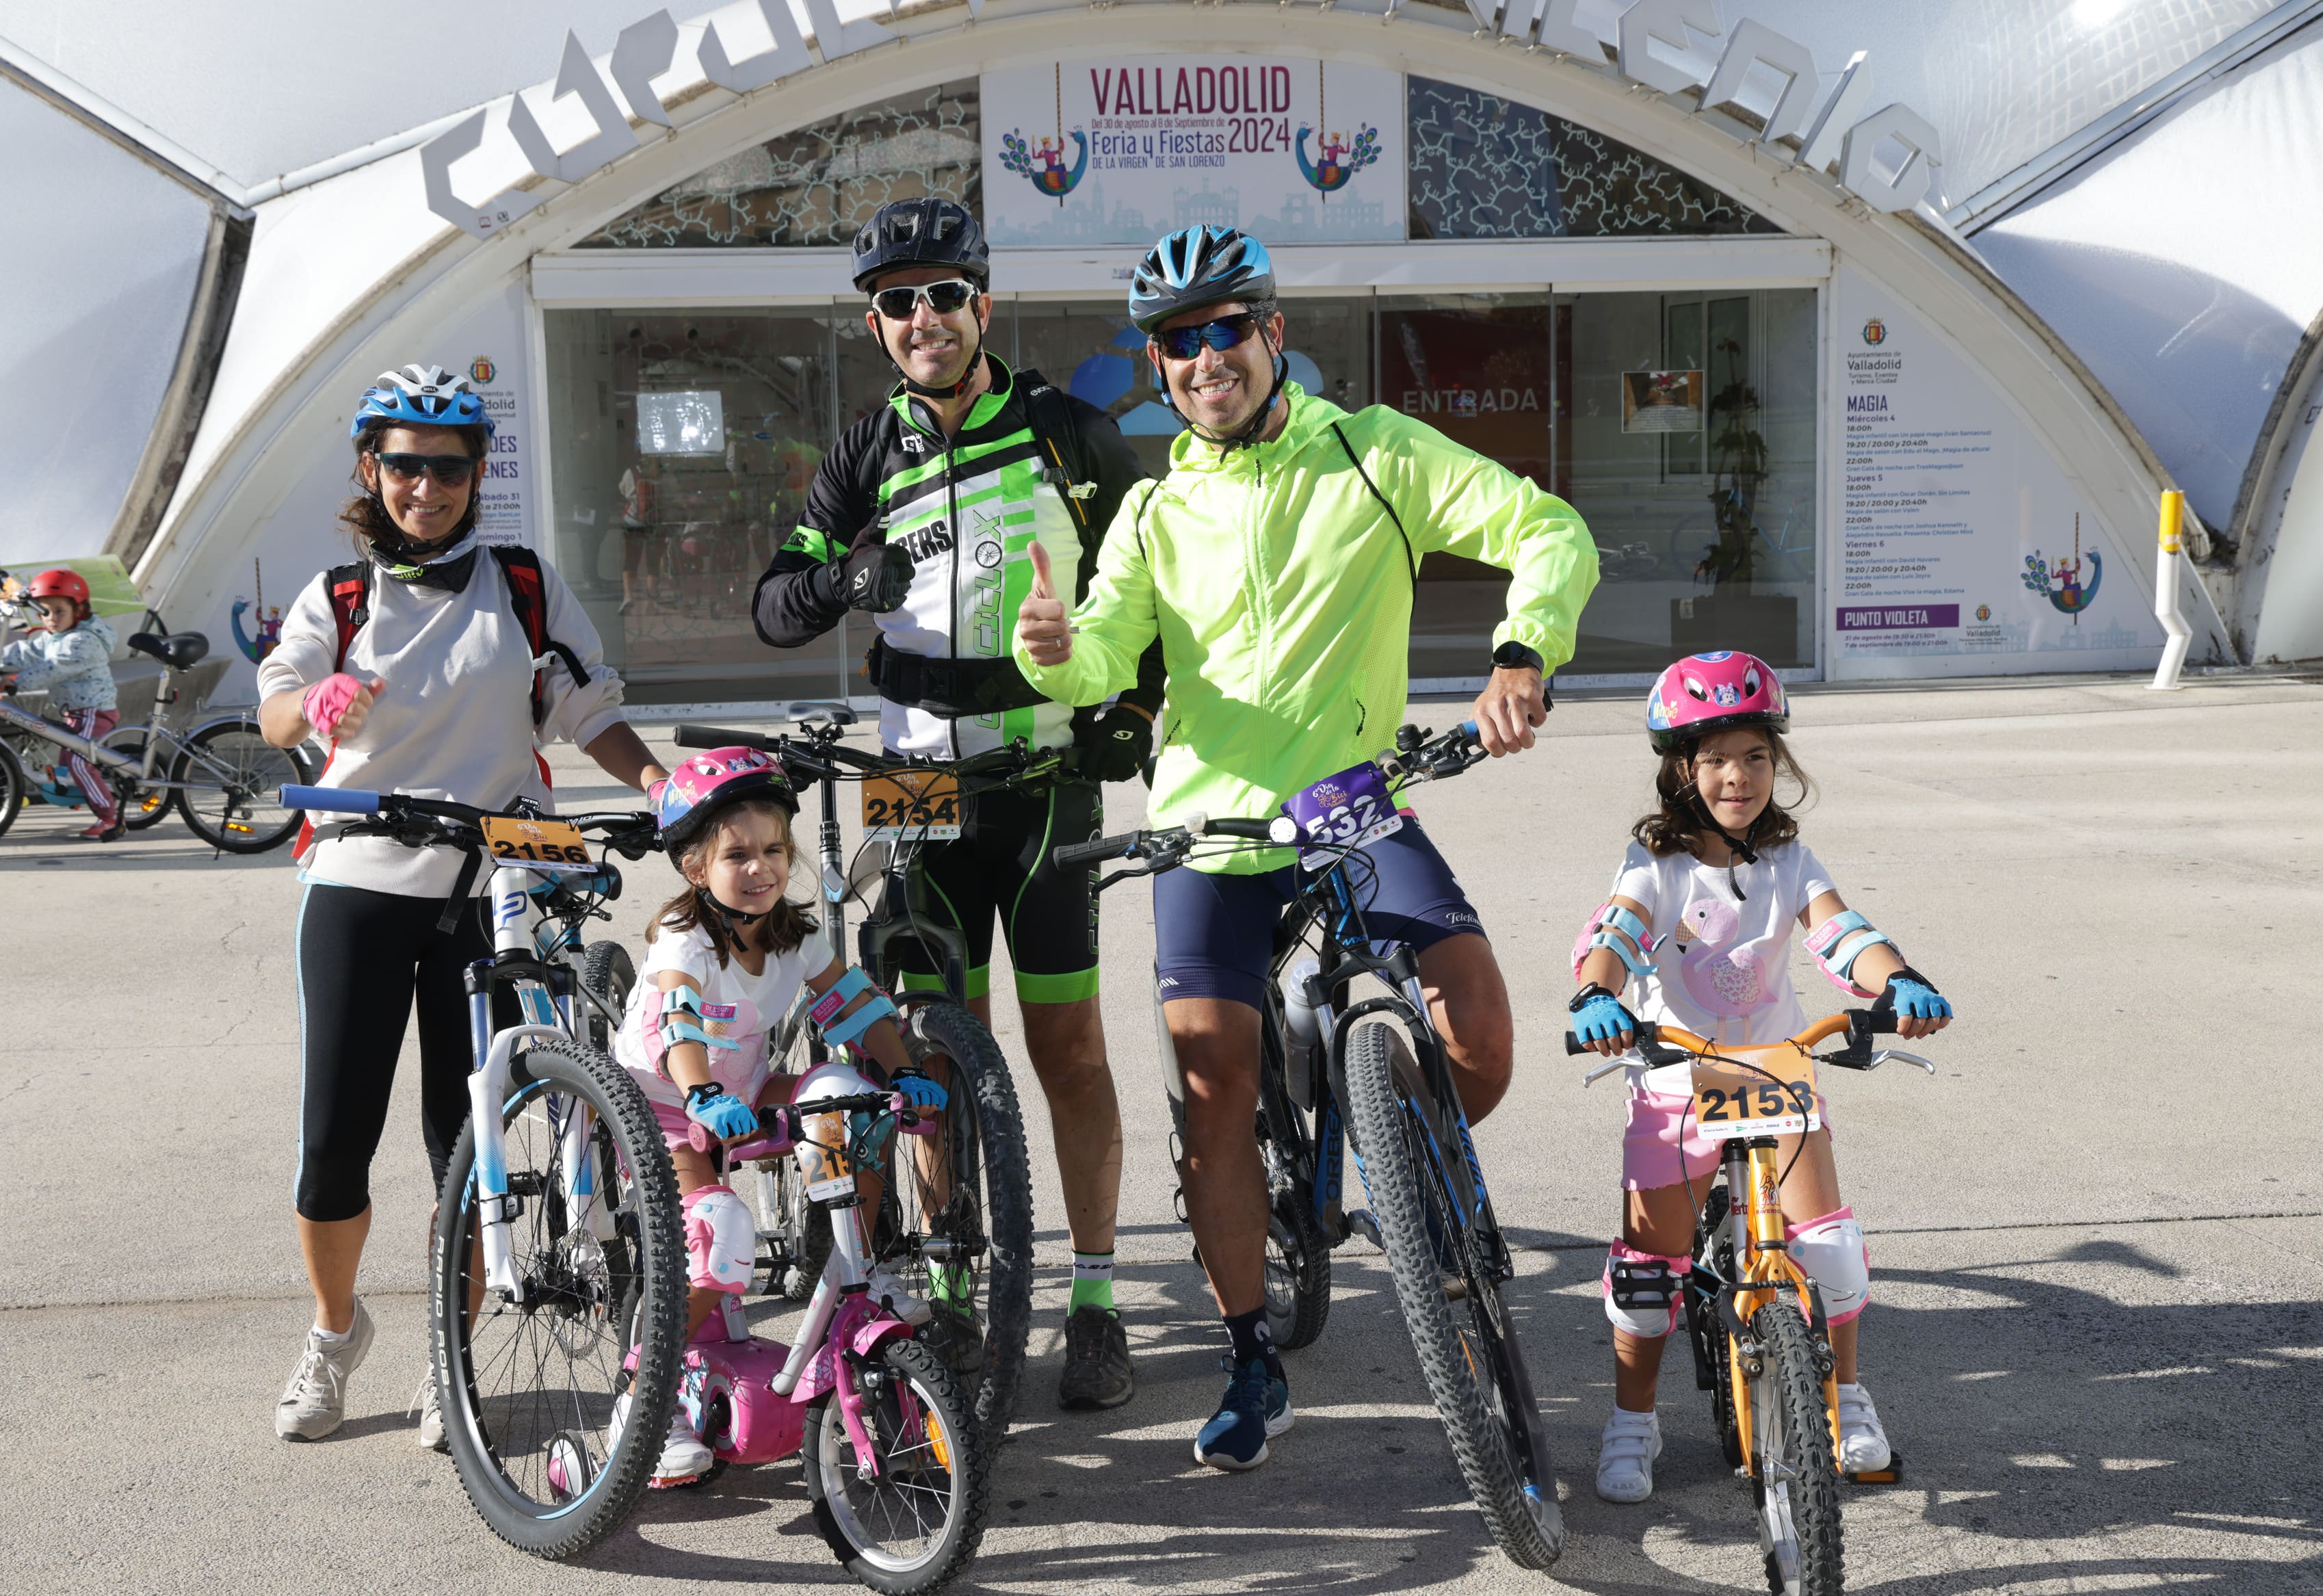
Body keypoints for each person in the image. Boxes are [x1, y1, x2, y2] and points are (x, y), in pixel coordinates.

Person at [1013, 223, 1599, 1469]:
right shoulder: (1159, 510)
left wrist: (1521, 653)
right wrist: (1056, 650)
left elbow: (1546, 528)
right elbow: (1112, 648)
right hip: (1211, 824)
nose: (1204, 355)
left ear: (1275, 334)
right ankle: (1249, 1358)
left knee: (1481, 1039)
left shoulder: (1373, 451)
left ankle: (1380, 1128)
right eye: (1178, 340)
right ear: (1160, 365)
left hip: (1354, 800)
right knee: (1217, 1101)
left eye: (1228, 327)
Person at [752, 197, 1166, 1410]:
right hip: (917, 788)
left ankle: (1094, 1301)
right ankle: (947, 1293)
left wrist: (1133, 709)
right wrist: (845, 576)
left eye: (944, 294)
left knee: (1069, 1049)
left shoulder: (1070, 434)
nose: (923, 317)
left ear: (983, 306)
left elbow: (1153, 599)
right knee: (927, 1061)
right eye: (898, 301)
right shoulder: (862, 454)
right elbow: (775, 605)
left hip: (1044, 782)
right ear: (876, 325)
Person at [255, 364, 670, 1447]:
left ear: (478, 472)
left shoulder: (523, 584)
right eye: (404, 465)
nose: (425, 487)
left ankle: (454, 1346)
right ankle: (336, 1333)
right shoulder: (338, 596)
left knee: (469, 1132)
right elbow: (275, 707)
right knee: (334, 1141)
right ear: (370, 470)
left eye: (446, 467)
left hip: (495, 880)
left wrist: (661, 787)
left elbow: (587, 706)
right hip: (359, 874)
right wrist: (316, 701)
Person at [1567, 650, 1954, 1503]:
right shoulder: (1654, 862)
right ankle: (1632, 1419)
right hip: (1676, 1073)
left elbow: (1840, 930)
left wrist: (1897, 979)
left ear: (1776, 764)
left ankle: (1846, 1399)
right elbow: (1619, 931)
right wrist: (1594, 992)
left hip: (1776, 1071)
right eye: (1712, 759)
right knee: (1645, 1272)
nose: (1735, 776)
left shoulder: (1789, 860)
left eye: (1753, 756)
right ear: (1680, 770)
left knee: (1830, 1250)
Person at [609, 744, 949, 1485]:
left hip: (745, 1088)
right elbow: (678, 1024)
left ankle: (858, 1269)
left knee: (842, 1100)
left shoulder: (793, 936)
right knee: (721, 1235)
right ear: (696, 867)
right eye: (737, 854)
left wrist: (903, 1071)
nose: (761, 867)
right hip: (665, 1103)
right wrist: (700, 1094)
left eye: (773, 849)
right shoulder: (684, 937)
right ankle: (645, 1388)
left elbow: (858, 1007)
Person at [0, 568, 123, 841]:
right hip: (74, 712)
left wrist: (16, 681)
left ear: (78, 611)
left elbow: (53, 668)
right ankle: (88, 793)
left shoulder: (82, 641)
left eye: (59, 611)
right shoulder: (53, 637)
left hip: (94, 710)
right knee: (68, 763)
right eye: (45, 612)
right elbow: (26, 651)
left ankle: (110, 818)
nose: (51, 619)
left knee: (79, 764)